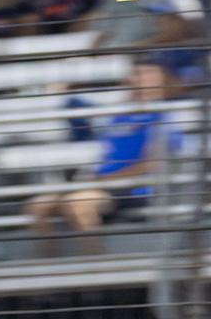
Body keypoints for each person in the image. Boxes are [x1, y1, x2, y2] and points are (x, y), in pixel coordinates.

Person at [25, 64, 172, 255]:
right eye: (136, 75)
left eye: (146, 75)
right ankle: (46, 267)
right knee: (40, 206)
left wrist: (104, 182)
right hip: (103, 187)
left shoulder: (162, 115)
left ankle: (97, 267)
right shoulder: (120, 115)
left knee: (77, 204)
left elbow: (152, 163)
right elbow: (106, 154)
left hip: (133, 190)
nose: (138, 80)